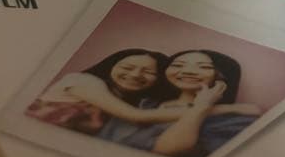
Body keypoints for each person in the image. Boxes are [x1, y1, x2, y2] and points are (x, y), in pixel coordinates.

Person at [99, 49, 262, 157]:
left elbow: (166, 151)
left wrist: (202, 107)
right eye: (178, 65)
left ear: (222, 76)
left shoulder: (234, 119)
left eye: (204, 67)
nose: (188, 71)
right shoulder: (145, 103)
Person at [26, 48, 192, 135]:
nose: (135, 75)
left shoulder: (142, 104)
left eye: (148, 72)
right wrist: (201, 109)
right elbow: (137, 116)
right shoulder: (82, 81)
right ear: (110, 66)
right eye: (127, 67)